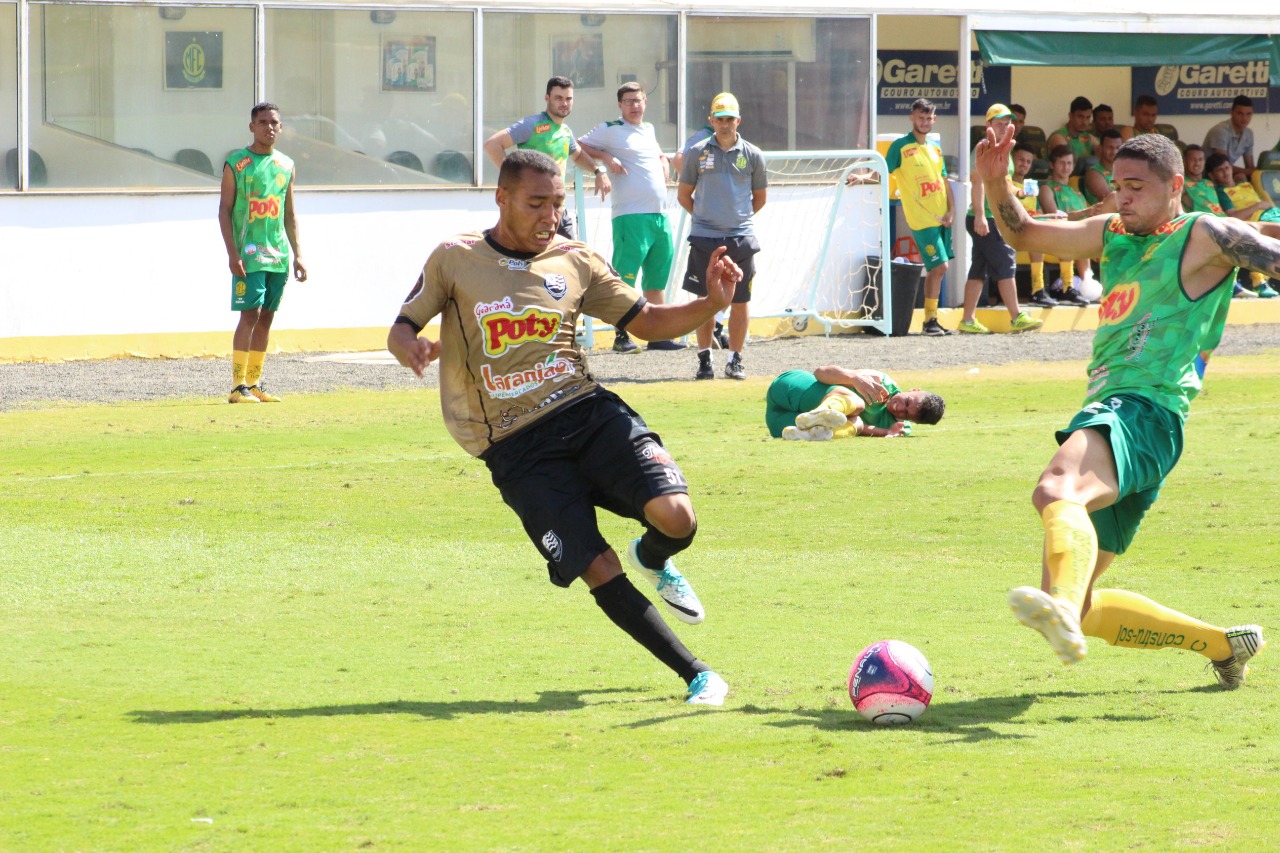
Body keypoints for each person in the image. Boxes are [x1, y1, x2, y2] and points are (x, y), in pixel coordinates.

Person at [386, 149, 743, 706]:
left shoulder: (576, 260)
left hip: (585, 411)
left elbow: (645, 321)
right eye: (536, 203)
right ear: (501, 197)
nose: (550, 215)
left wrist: (711, 303)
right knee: (595, 565)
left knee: (678, 519)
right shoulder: (454, 259)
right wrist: (411, 346)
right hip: (513, 443)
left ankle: (652, 556)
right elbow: (402, 326)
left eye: (556, 202)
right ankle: (699, 675)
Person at [975, 127, 1267, 688]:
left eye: (1136, 187)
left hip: (1142, 408)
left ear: (1176, 186)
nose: (1123, 197)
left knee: (1056, 489)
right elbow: (1028, 232)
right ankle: (1224, 646)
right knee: (1081, 600)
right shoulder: (1113, 234)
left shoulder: (1204, 233)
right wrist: (995, 183)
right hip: (1135, 419)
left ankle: (1057, 605)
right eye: (1117, 185)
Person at [576, 83, 686, 353]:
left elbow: (657, 153)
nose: (634, 106)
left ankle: (658, 335)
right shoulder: (610, 128)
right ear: (620, 105)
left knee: (656, 278)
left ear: (645, 102)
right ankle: (620, 335)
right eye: (628, 101)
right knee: (625, 278)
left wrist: (663, 159)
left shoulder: (648, 129)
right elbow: (577, 145)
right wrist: (605, 158)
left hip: (659, 215)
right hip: (630, 216)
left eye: (637, 100)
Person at [218, 102, 307, 404]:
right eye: (263, 122)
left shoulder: (286, 165)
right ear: (252, 126)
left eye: (275, 123)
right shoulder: (237, 163)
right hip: (249, 254)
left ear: (280, 128)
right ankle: (236, 386)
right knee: (249, 315)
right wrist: (232, 253)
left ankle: (254, 382)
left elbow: (290, 214)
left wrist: (298, 255)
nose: (269, 127)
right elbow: (224, 211)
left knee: (267, 317)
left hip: (278, 255)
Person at [677, 92, 768, 379]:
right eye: (720, 119)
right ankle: (705, 360)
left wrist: (735, 221)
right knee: (705, 301)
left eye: (730, 119)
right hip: (705, 238)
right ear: (711, 121)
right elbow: (683, 195)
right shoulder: (697, 152)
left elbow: (760, 198)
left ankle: (735, 360)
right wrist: (706, 220)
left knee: (740, 301)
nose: (725, 124)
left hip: (741, 238)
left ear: (738, 120)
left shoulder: (753, 154)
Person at [483, 76, 610, 239]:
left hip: (558, 208)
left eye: (568, 99)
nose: (564, 103)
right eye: (558, 98)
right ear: (547, 98)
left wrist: (598, 171)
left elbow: (578, 155)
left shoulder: (565, 131)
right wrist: (512, 177)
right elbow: (492, 145)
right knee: (532, 260)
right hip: (533, 209)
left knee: (570, 256)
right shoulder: (532, 125)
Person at [960, 104, 1043, 335]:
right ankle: (1017, 316)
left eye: (1007, 124)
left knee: (979, 269)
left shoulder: (1003, 148)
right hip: (986, 217)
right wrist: (979, 216)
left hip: (989, 216)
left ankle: (967, 320)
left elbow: (1003, 183)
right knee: (1006, 263)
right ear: (988, 125)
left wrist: (1019, 193)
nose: (1004, 127)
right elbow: (977, 183)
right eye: (999, 124)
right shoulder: (984, 147)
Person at [883, 98, 956, 336]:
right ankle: (929, 321)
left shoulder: (934, 148)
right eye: (920, 117)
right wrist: (862, 178)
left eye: (928, 118)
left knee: (939, 270)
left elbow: (944, 181)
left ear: (934, 119)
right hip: (922, 220)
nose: (924, 122)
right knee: (939, 266)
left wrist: (951, 210)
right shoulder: (900, 146)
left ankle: (931, 320)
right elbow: (883, 172)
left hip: (942, 217)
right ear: (911, 118)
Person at [765, 366, 945, 441]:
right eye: (906, 402)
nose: (899, 408)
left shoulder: (897, 427)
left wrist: (887, 432)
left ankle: (806, 433)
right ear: (914, 390)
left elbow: (861, 427)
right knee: (857, 403)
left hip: (778, 422)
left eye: (906, 414)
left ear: (912, 421)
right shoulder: (881, 381)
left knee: (856, 423)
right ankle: (818, 414)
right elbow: (820, 372)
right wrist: (854, 377)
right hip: (789, 388)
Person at [1037, 144, 1113, 306]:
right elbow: (1055, 218)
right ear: (1052, 165)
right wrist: (1084, 213)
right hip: (1057, 236)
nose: (1066, 167)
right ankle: (1085, 284)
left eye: (1070, 163)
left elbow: (1087, 217)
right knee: (1079, 238)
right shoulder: (1047, 189)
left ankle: (1105, 287)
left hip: (1079, 236)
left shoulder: (1076, 192)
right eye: (1062, 163)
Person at [1202, 152, 1280, 298]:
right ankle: (1259, 282)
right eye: (1220, 170)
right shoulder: (1222, 192)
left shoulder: (1245, 184)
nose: (1225, 172)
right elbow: (1233, 216)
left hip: (1272, 215)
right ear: (1212, 176)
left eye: (1227, 168)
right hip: (1254, 223)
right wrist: (1257, 206)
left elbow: (1268, 204)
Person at [1204, 95, 1256, 185]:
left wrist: (1255, 173)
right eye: (1240, 113)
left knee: (1245, 179)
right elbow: (1222, 165)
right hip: (1208, 176)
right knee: (1241, 176)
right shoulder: (1221, 131)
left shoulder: (1248, 133)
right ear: (1231, 112)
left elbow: (1250, 166)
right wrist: (1250, 172)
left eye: (1248, 114)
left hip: (1226, 174)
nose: (1244, 118)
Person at [1047, 96, 1099, 175]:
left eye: (1088, 118)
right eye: (1080, 117)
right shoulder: (1059, 137)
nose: (1084, 122)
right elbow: (1065, 167)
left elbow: (1106, 157)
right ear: (1070, 116)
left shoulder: (1089, 138)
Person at [1082, 130, 1121, 207]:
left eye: (1118, 148)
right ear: (1101, 148)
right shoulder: (1093, 173)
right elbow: (1110, 199)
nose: (1114, 152)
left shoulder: (1125, 171)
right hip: (1106, 217)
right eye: (1110, 147)